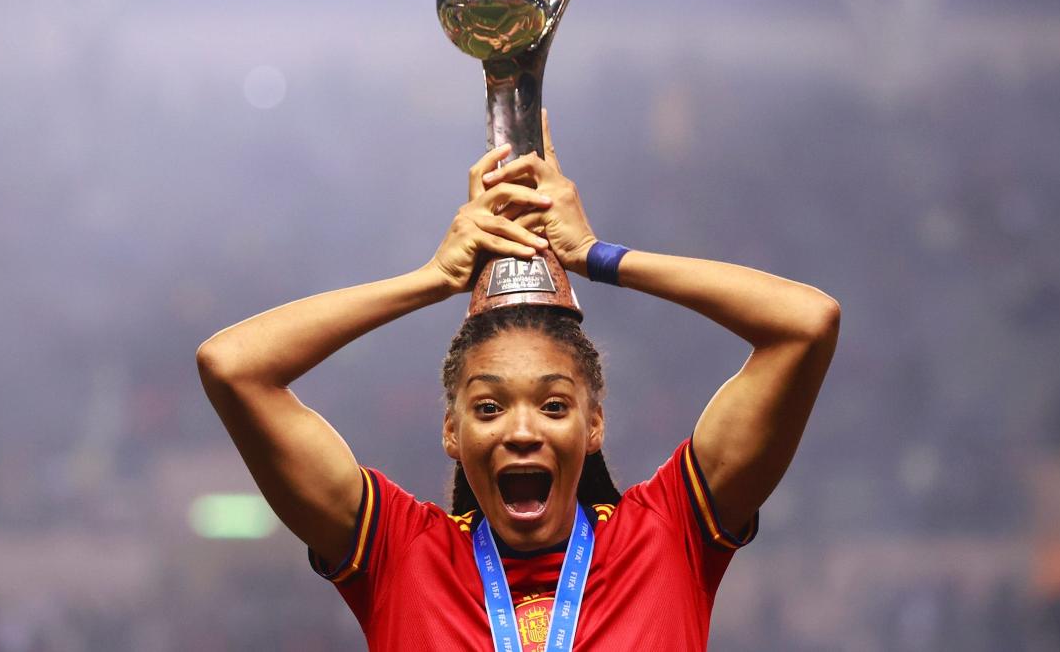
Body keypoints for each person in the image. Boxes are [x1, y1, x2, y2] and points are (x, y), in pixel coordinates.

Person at [197, 111, 839, 650]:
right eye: (489, 406)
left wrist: (596, 256)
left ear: (594, 425)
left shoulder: (667, 537)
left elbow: (806, 324)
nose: (523, 429)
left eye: (555, 405)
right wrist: (434, 278)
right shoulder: (402, 555)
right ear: (452, 429)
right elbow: (234, 366)